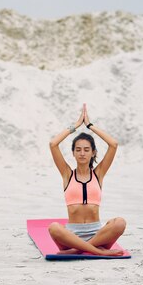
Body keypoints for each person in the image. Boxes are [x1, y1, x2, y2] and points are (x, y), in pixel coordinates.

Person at [48, 103, 126, 256]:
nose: (82, 153)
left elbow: (113, 144)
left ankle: (78, 250)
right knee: (54, 227)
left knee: (120, 223)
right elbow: (53, 144)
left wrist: (90, 125)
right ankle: (98, 252)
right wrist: (76, 125)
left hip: (97, 235)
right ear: (73, 153)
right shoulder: (67, 174)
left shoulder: (99, 174)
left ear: (93, 152)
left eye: (86, 150)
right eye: (78, 150)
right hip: (71, 236)